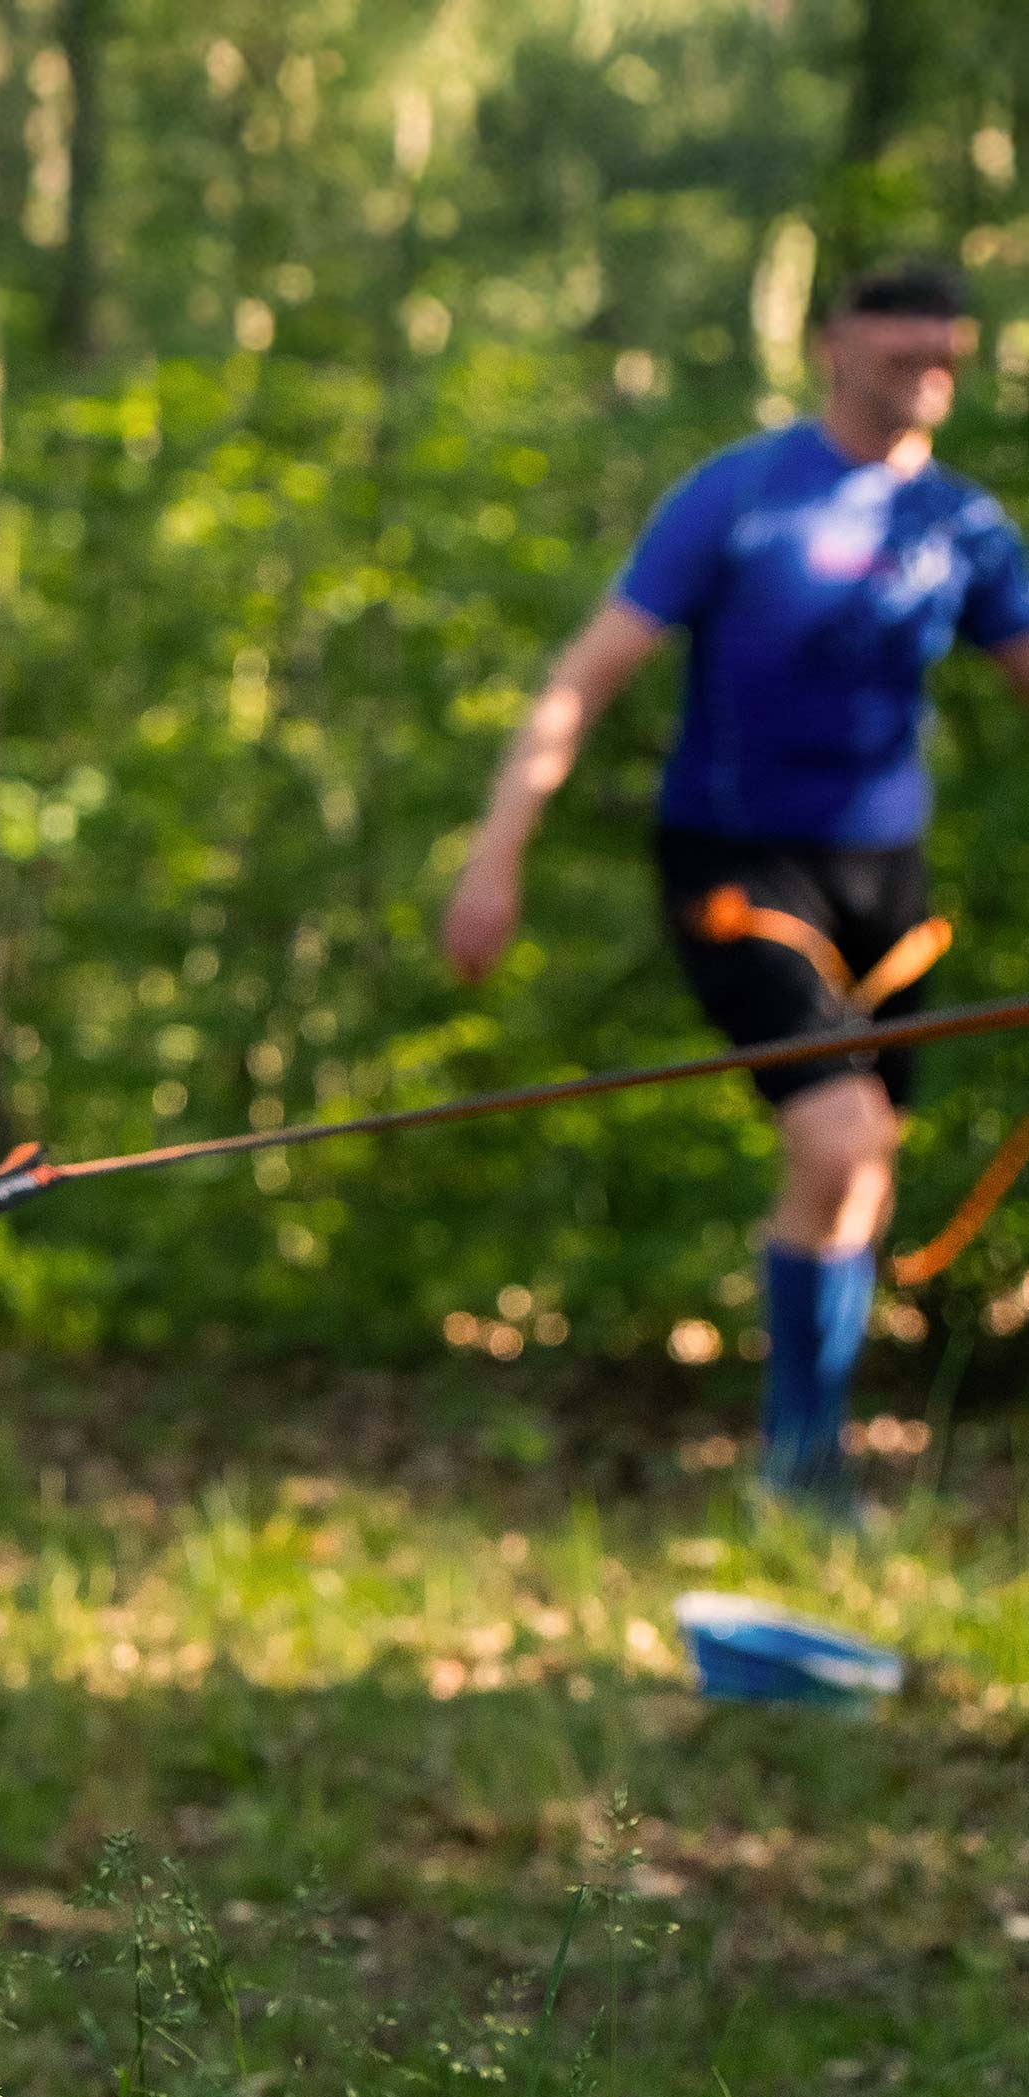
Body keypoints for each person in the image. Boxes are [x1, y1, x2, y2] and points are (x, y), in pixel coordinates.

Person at [443, 261, 1029, 1513]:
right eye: (898, 349)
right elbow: (582, 678)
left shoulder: (964, 530)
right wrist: (496, 850)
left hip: (888, 879)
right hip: (734, 867)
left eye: (944, 352)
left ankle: (795, 1462)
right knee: (840, 1134)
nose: (926, 367)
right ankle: (801, 1473)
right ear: (833, 348)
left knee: (855, 1175)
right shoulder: (741, 496)